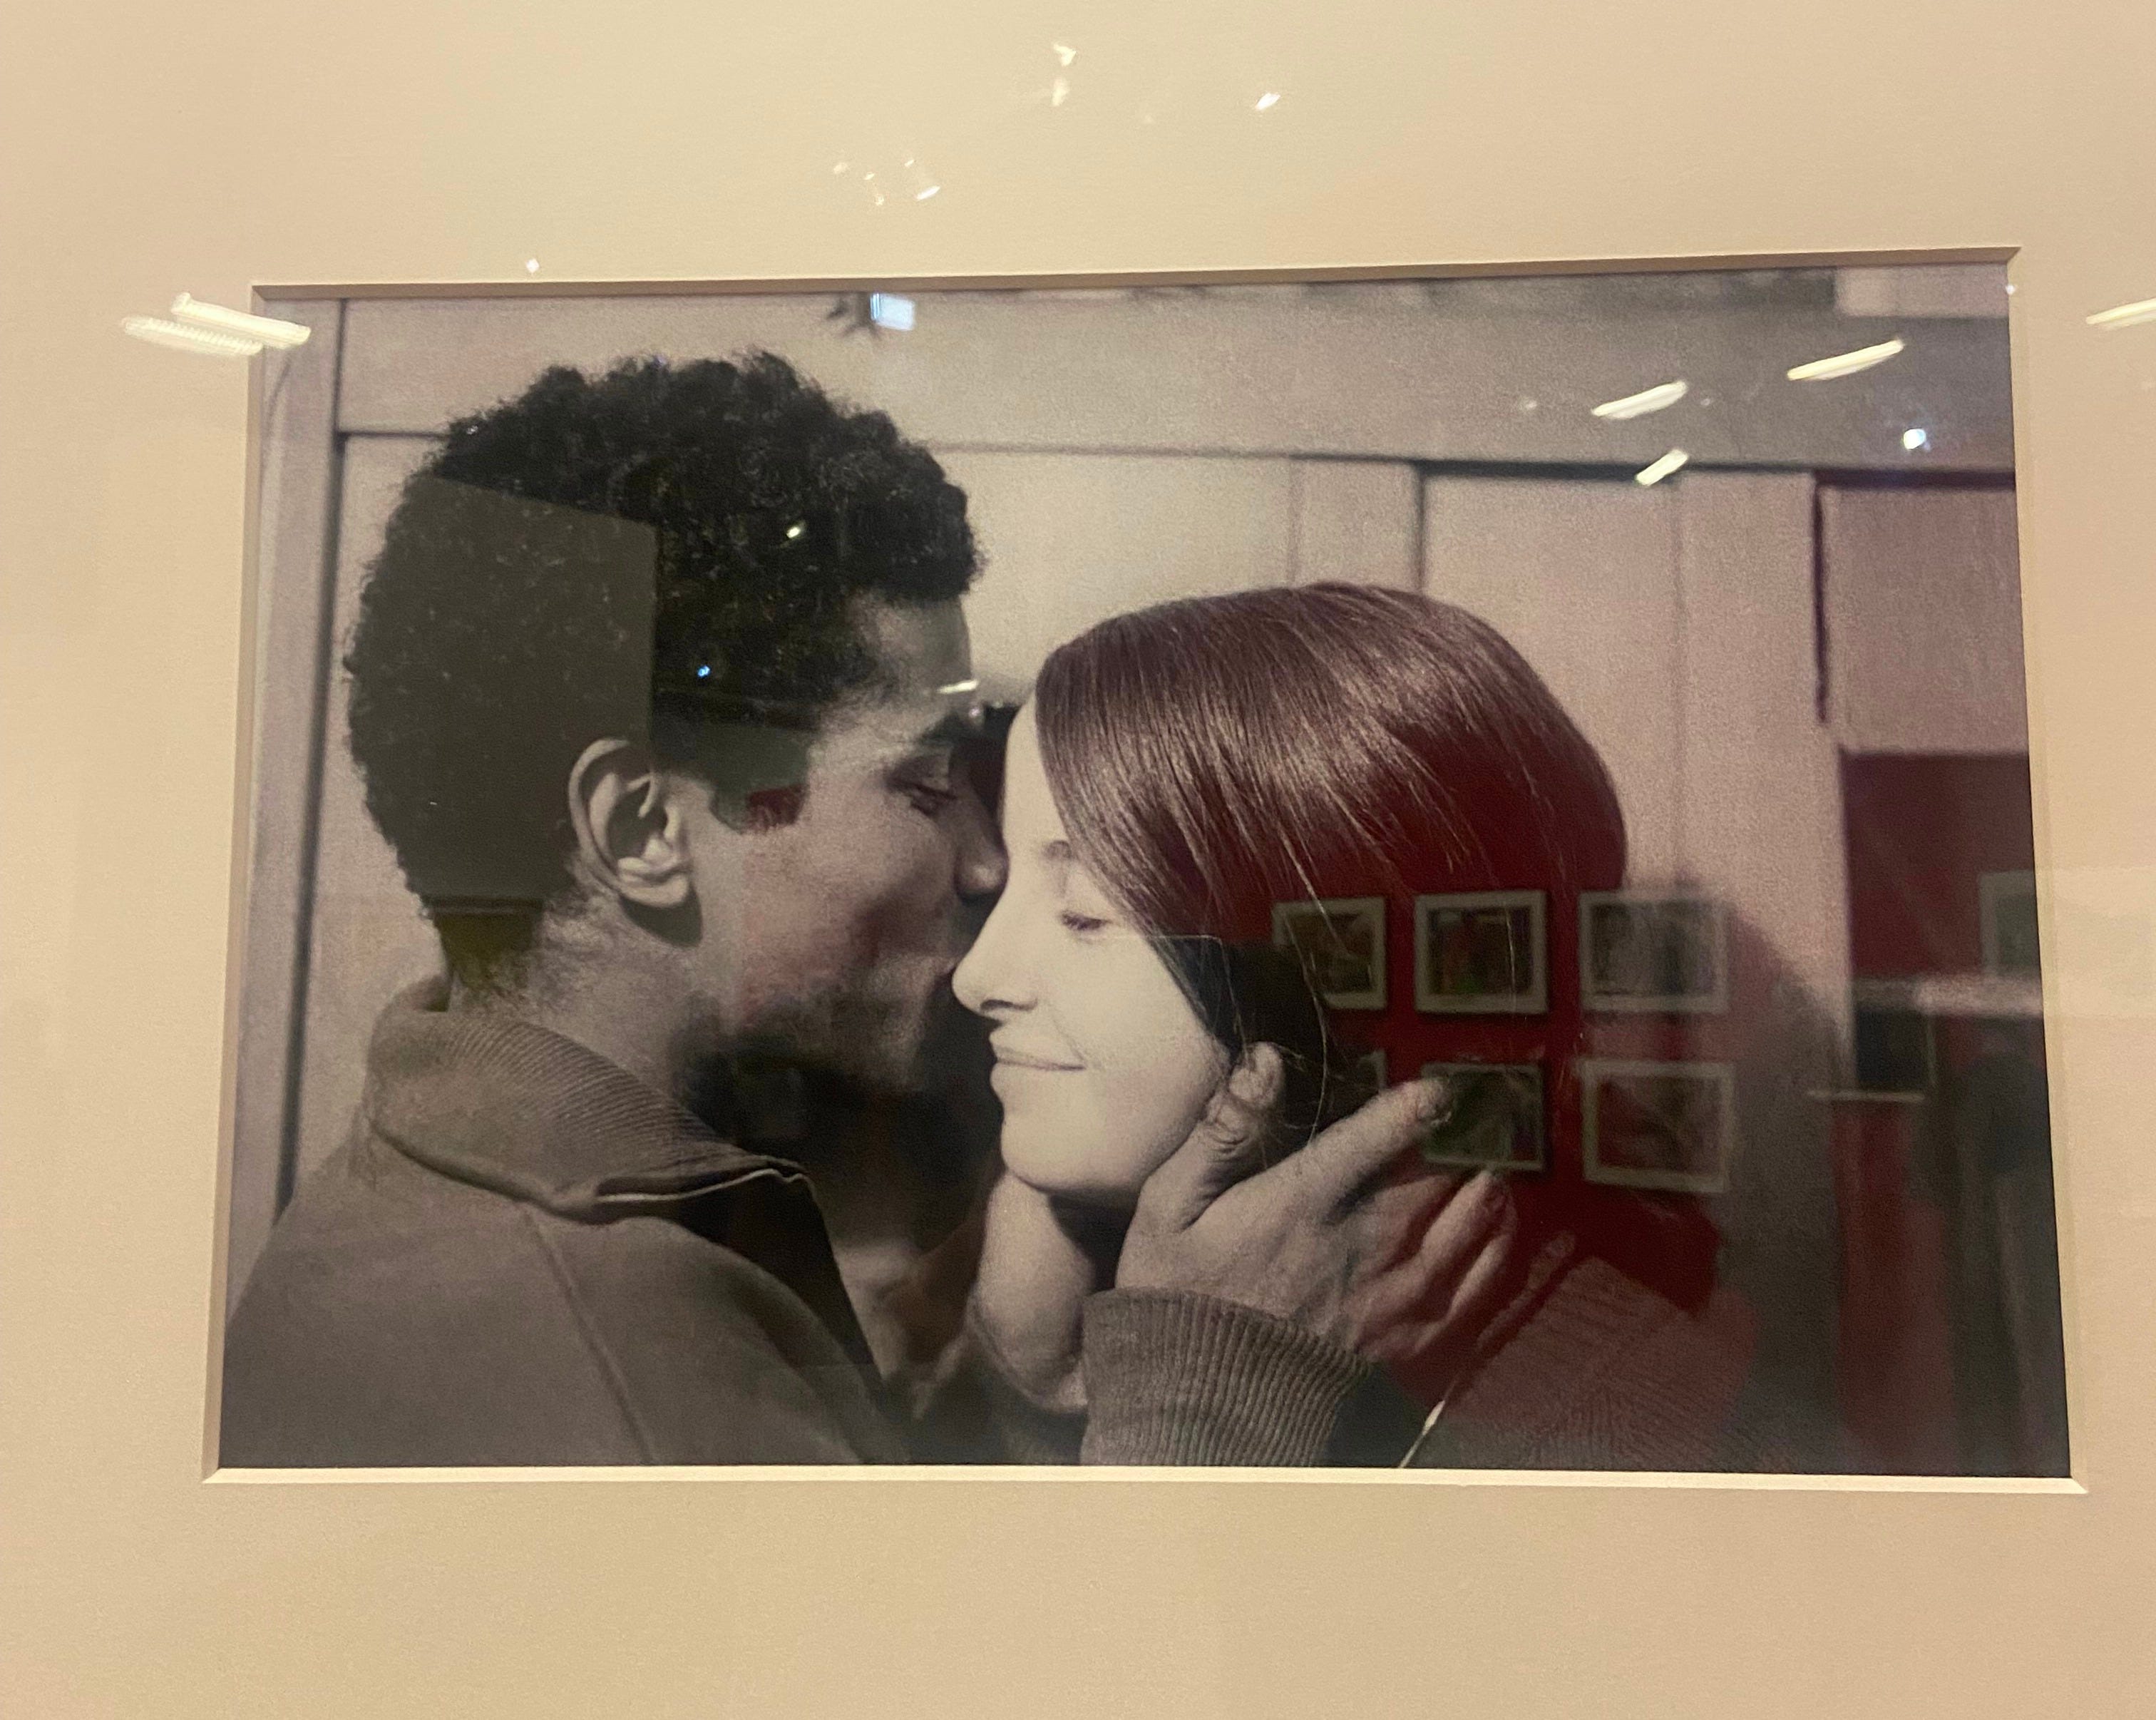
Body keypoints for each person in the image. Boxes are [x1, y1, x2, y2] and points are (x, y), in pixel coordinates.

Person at [219, 354, 1471, 1467]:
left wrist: (1019, 1395)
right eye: (920, 784)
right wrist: (1209, 1404)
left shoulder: (463, 1206)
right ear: (641, 833)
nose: (983, 864)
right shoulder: (612, 1362)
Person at [946, 585, 1765, 1470]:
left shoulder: (1660, 1458)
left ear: (1353, 980)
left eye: (1081, 914)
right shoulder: (1041, 1306)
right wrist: (1045, 1395)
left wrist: (1208, 1400)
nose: (976, 978)